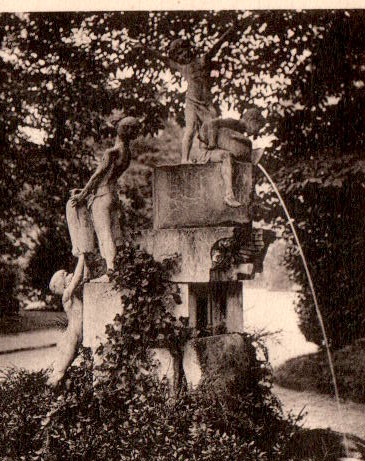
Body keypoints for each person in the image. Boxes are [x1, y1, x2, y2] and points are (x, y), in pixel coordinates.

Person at [135, 17, 253, 164]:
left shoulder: (203, 60)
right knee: (190, 131)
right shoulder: (182, 67)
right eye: (177, 56)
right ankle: (185, 159)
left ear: (189, 49)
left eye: (182, 52)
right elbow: (162, 59)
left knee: (213, 127)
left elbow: (216, 46)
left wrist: (230, 31)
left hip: (206, 103)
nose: (181, 57)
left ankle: (207, 154)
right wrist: (146, 49)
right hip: (191, 102)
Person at [72, 116, 141, 278]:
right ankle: (119, 267)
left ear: (121, 129)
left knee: (105, 234)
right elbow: (107, 177)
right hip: (113, 195)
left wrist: (82, 195)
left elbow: (97, 177)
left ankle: (110, 270)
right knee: (116, 233)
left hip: (102, 196)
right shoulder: (126, 153)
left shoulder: (112, 152)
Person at [189, 107, 266, 207]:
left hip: (212, 151)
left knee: (247, 162)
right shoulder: (233, 123)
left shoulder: (240, 131)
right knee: (226, 156)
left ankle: (253, 194)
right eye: (258, 127)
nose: (257, 131)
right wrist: (212, 143)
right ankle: (229, 195)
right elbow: (212, 123)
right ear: (251, 121)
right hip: (202, 151)